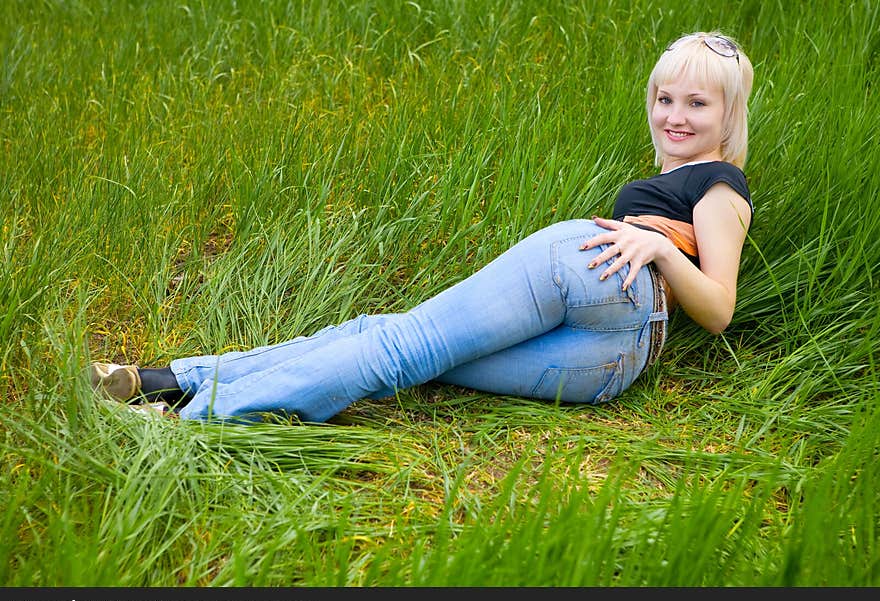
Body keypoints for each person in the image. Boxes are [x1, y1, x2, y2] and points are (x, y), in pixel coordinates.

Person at [90, 32, 755, 424]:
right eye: (665, 99)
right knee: (389, 340)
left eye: (697, 103)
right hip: (612, 350)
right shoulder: (685, 179)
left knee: (400, 345)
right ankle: (164, 381)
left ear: (729, 116)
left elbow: (719, 307)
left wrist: (663, 251)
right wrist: (661, 248)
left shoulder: (720, 183)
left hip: (610, 325)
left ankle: (186, 414)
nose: (675, 115)